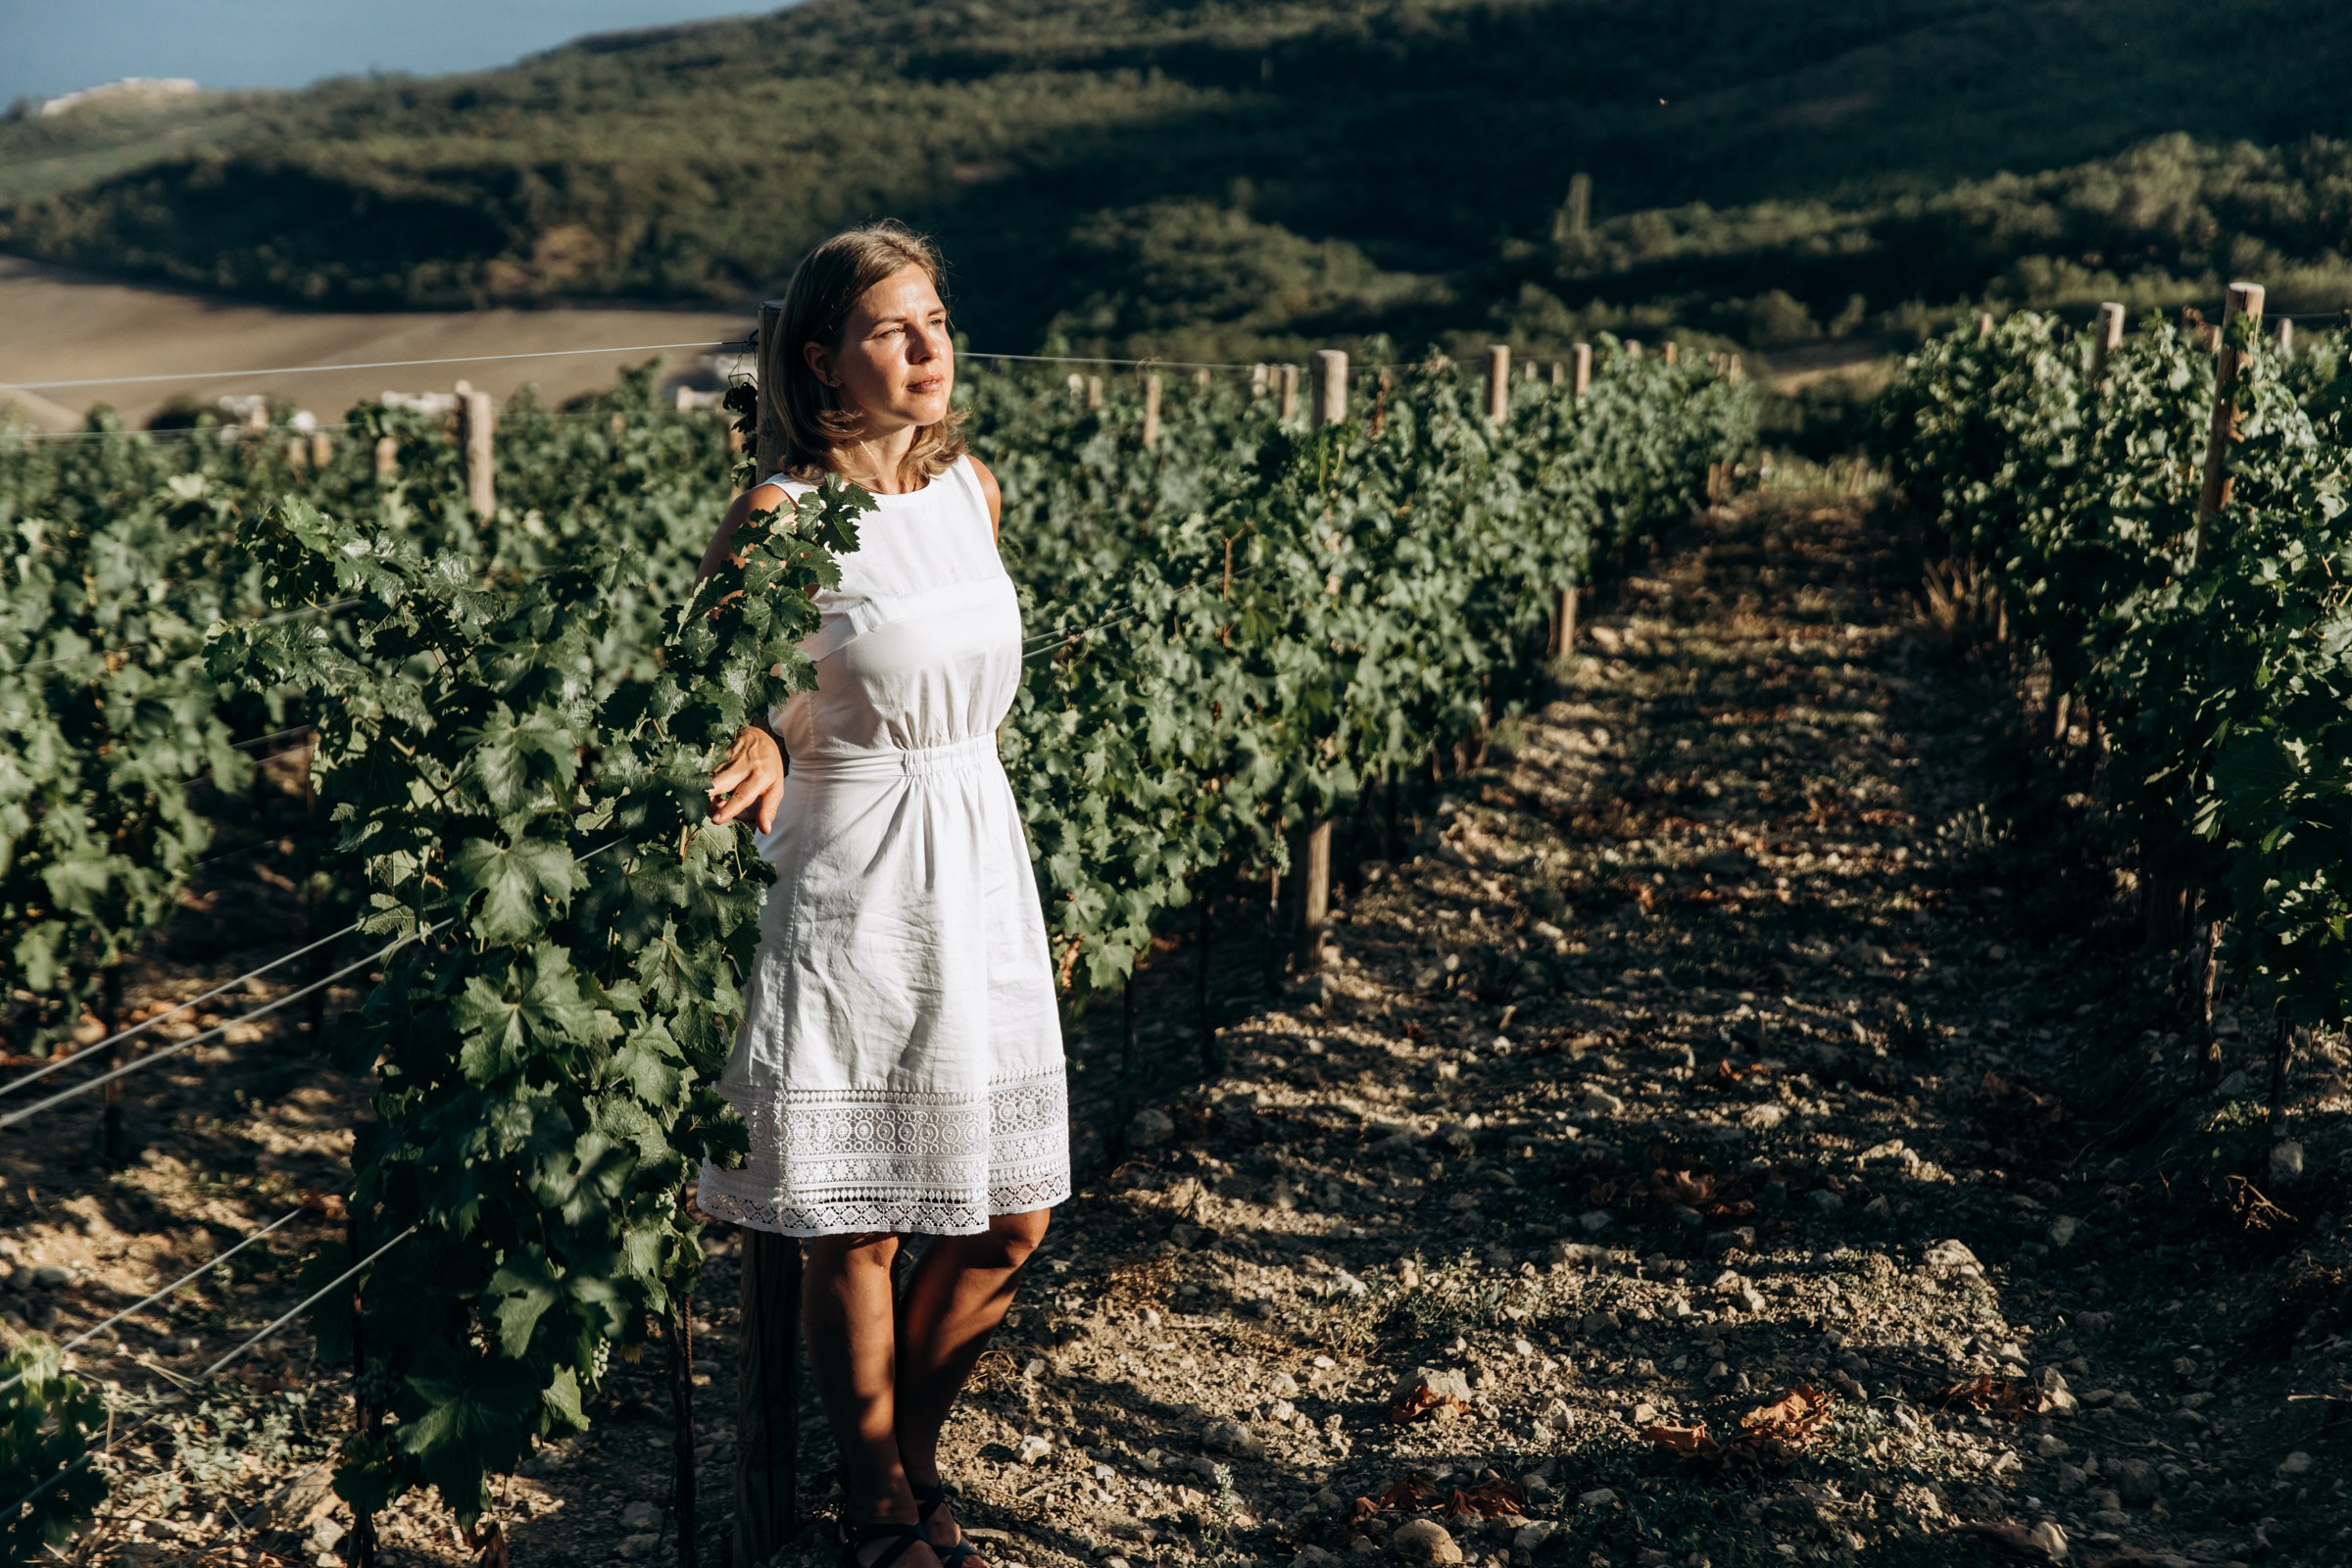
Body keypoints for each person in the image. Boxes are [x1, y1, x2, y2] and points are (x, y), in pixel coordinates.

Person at [693, 221, 1069, 1568]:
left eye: (936, 321)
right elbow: (712, 696)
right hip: (852, 877)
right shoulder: (779, 519)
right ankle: (878, 1512)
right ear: (820, 360)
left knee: (1011, 1215)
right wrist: (758, 736)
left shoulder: (972, 489)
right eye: (892, 328)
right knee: (860, 1219)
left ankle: (908, 1462)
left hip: (976, 852)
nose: (929, 347)